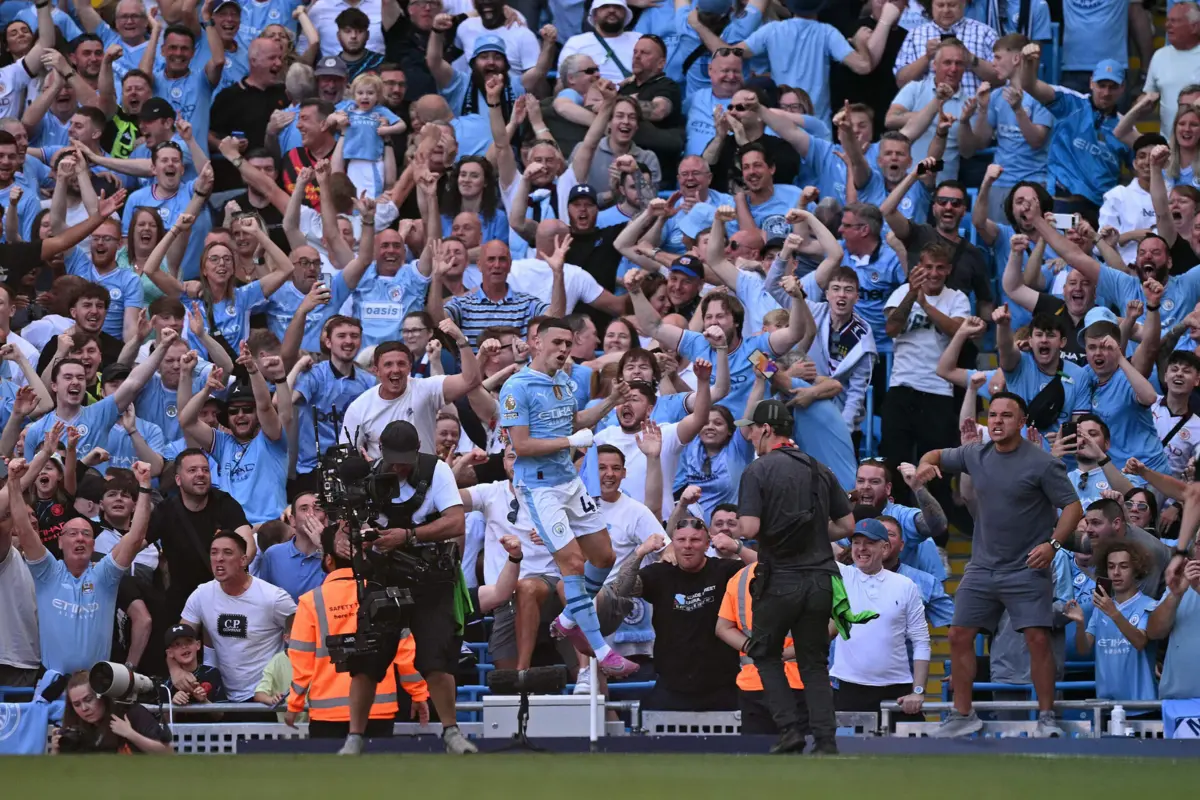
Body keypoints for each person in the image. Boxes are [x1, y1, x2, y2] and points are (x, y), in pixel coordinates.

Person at [919, 392, 1083, 737]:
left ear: (1021, 422)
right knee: (959, 634)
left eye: (1006, 416)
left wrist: (1053, 545)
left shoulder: (1042, 462)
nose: (996, 421)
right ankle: (963, 716)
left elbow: (1072, 507)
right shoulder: (975, 454)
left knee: (1038, 639)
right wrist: (925, 464)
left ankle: (1046, 717)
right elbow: (934, 454)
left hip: (1026, 566)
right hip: (982, 567)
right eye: (992, 415)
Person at [499, 317, 640, 679]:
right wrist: (569, 443)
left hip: (570, 483)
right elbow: (523, 445)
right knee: (573, 564)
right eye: (557, 343)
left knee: (604, 556)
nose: (564, 350)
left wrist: (611, 400)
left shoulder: (564, 381)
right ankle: (603, 651)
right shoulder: (517, 387)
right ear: (536, 343)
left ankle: (566, 618)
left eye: (568, 343)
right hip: (541, 488)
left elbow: (577, 420)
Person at [338, 420, 470, 755]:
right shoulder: (367, 478)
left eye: (404, 459)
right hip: (385, 575)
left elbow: (456, 520)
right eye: (393, 459)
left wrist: (408, 536)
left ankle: (451, 731)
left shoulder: (437, 471)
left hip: (431, 577)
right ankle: (354, 737)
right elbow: (347, 527)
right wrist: (361, 535)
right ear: (381, 452)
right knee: (366, 657)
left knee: (437, 658)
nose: (398, 466)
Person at [734, 398, 856, 754]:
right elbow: (847, 525)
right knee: (814, 662)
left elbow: (751, 526)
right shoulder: (820, 468)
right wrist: (815, 532)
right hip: (821, 579)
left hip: (781, 579)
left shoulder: (757, 471)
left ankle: (789, 731)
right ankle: (826, 741)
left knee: (765, 653)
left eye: (752, 429)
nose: (750, 435)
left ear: (767, 430)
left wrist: (741, 528)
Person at [9, 457, 152, 678]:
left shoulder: (105, 575)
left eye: (86, 534)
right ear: (59, 541)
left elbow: (135, 538)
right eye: (72, 533)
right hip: (52, 687)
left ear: (93, 544)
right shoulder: (47, 572)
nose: (80, 539)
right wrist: (13, 483)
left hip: (97, 686)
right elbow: (24, 529)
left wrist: (144, 486)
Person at [287, 522, 430, 740]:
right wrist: (419, 694)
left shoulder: (311, 602)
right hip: (377, 709)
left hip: (328, 714)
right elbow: (405, 654)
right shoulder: (385, 596)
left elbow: (302, 661)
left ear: (327, 560)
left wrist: (294, 705)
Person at [178, 531, 297, 702]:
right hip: (222, 696)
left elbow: (306, 634)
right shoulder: (201, 594)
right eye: (214, 552)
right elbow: (178, 641)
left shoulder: (273, 598)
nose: (219, 558)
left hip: (265, 697)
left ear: (243, 560)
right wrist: (175, 670)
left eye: (227, 552)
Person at [831, 518, 930, 722]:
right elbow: (811, 544)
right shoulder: (840, 575)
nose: (861, 549)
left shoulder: (905, 585)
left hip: (898, 690)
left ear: (885, 548)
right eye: (856, 542)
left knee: (909, 753)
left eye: (869, 542)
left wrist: (918, 691)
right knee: (847, 753)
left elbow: (921, 640)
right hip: (848, 689)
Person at [1064, 539, 1158, 704]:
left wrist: (1113, 612)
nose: (1116, 572)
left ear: (1136, 570)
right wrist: (1079, 624)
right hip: (1106, 703)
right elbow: (1084, 649)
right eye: (1111, 566)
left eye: (1123, 566)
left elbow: (1140, 641)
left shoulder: (1149, 605)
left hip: (1141, 703)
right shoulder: (1101, 608)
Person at [51, 670, 172, 754]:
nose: (84, 708)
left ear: (102, 696)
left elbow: (168, 752)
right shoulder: (75, 727)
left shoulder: (131, 713)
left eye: (88, 699)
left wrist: (130, 734)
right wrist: (56, 751)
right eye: (76, 704)